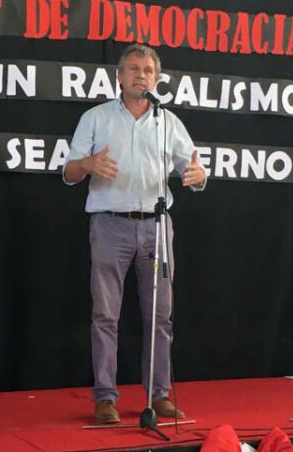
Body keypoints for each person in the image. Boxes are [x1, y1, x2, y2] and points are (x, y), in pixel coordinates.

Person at [63, 44, 207, 424]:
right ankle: (105, 398)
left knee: (160, 316)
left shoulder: (168, 122)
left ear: (156, 79)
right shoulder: (96, 118)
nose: (140, 75)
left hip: (156, 226)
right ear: (119, 76)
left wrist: (198, 176)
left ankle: (158, 395)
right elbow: (69, 173)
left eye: (147, 70)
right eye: (133, 69)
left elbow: (193, 169)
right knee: (105, 315)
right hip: (110, 225)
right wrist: (87, 164)